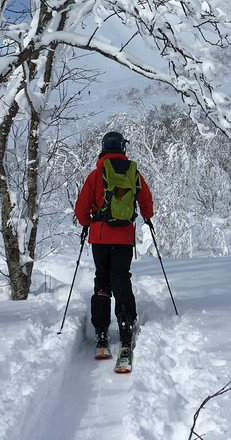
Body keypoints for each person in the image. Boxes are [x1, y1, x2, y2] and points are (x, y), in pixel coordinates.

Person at [74, 130, 154, 361]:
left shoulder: (96, 175)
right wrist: (147, 217)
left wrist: (89, 222)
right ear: (122, 149)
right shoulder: (133, 173)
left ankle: (101, 331)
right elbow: (146, 201)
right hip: (124, 238)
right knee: (121, 277)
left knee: (102, 278)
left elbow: (81, 209)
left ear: (103, 149)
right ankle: (126, 323)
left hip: (100, 237)